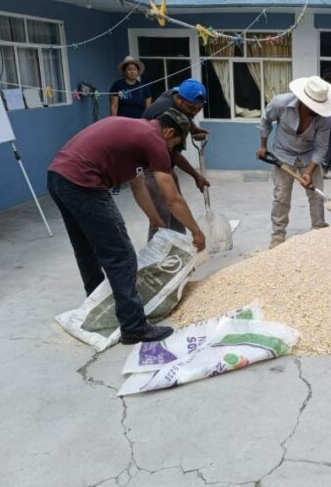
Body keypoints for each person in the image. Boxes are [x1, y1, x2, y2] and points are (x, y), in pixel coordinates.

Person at [47, 108, 206, 344]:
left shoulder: (136, 134)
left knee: (86, 249)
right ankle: (134, 327)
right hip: (84, 182)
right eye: (173, 145)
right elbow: (172, 199)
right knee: (121, 255)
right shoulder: (154, 140)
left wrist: (154, 218)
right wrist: (196, 231)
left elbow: (138, 185)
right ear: (168, 132)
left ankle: (97, 303)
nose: (170, 151)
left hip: (58, 177)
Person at [257, 75, 331, 249]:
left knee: (316, 195)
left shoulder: (325, 119)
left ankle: (319, 230)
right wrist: (263, 145)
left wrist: (308, 172)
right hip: (282, 154)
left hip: (309, 156)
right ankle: (278, 235)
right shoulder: (280, 103)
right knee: (281, 196)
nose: (317, 110)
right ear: (303, 100)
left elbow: (321, 149)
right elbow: (266, 120)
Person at [141, 78, 210, 239]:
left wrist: (193, 128)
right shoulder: (164, 115)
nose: (194, 113)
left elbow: (186, 112)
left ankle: (181, 248)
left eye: (199, 109)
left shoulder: (177, 95)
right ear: (178, 99)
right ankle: (155, 253)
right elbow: (172, 153)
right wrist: (196, 175)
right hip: (150, 165)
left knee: (178, 212)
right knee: (162, 217)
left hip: (164, 162)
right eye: (191, 108)